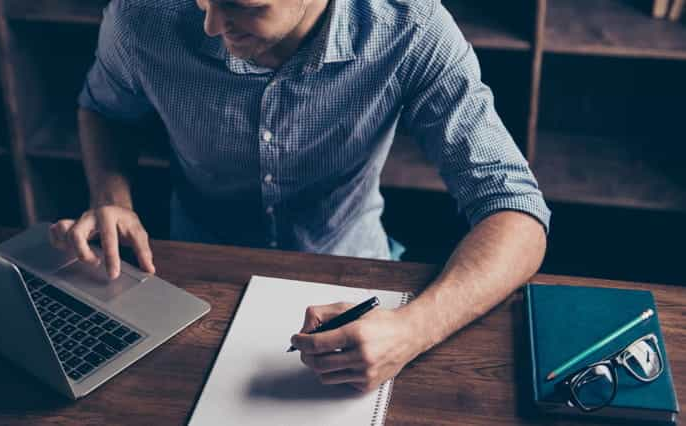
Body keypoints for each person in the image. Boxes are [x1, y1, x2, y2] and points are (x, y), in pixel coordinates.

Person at [48, 0, 550, 392]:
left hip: (353, 279)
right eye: (204, 2)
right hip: (193, 274)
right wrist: (112, 200)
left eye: (242, 5)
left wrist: (414, 329)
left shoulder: (410, 25)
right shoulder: (140, 16)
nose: (210, 26)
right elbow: (105, 109)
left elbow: (516, 209)